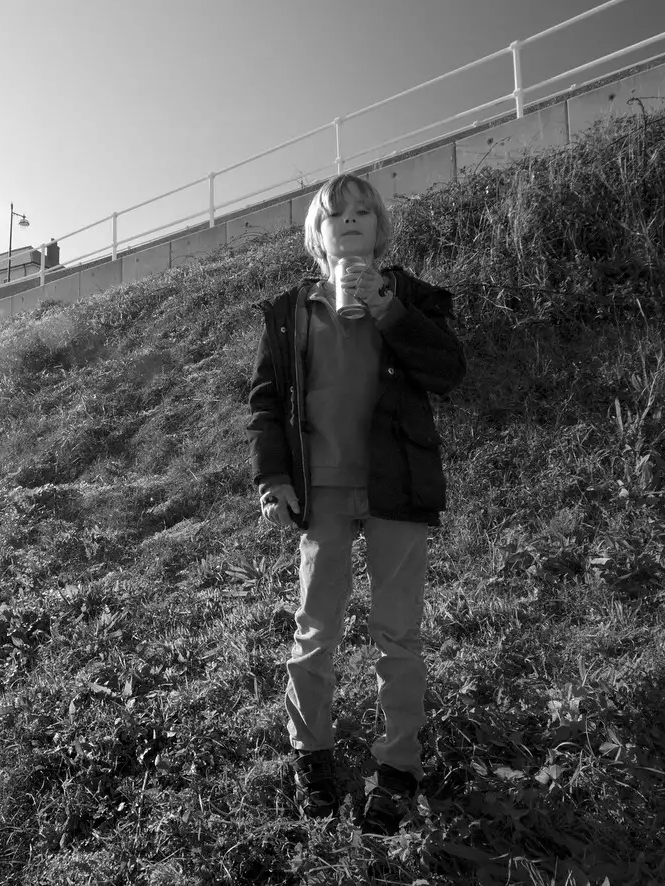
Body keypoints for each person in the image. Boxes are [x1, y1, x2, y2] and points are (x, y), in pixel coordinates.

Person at [247, 173, 465, 834]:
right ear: (317, 232)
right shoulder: (289, 313)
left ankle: (397, 768)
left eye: (363, 212)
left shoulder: (413, 297)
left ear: (380, 229)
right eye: (335, 213)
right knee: (317, 626)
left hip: (395, 483)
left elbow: (448, 373)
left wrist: (388, 309)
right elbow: (265, 404)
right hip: (324, 489)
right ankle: (310, 753)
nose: (349, 221)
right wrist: (273, 478)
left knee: (398, 632)